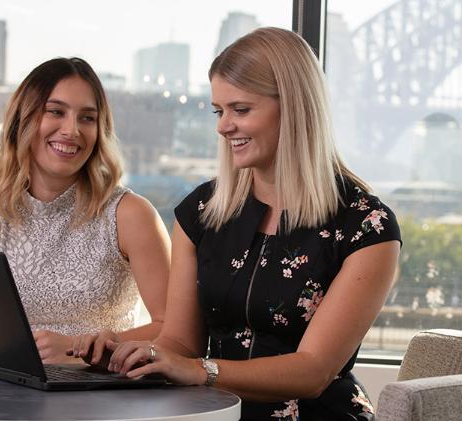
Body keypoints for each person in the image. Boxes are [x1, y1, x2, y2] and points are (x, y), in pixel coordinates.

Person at [79, 27, 400, 420]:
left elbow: (313, 371)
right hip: (212, 414)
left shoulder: (367, 227)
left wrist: (200, 371)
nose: (223, 126)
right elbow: (181, 340)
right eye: (219, 110)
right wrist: (139, 356)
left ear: (295, 107)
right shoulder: (201, 211)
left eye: (240, 109)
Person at [0, 57, 170, 364]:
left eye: (87, 118)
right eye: (56, 112)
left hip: (105, 399)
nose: (71, 130)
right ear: (23, 120)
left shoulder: (130, 215)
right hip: (12, 403)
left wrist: (76, 348)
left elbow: (174, 331)